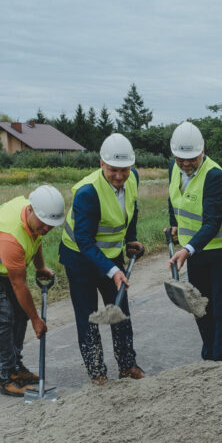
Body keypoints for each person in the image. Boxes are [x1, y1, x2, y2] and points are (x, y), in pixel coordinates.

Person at [0, 185, 66, 396]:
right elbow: (19, 284)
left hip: (0, 266)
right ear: (31, 210)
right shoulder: (10, 236)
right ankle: (7, 377)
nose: (46, 229)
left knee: (19, 313)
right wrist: (36, 319)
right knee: (4, 318)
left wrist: (40, 267)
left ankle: (16, 366)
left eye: (50, 226)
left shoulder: (36, 220)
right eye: (44, 224)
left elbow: (35, 241)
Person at [59, 133, 146, 385]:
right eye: (112, 170)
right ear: (101, 164)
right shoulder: (87, 193)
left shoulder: (133, 179)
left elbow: (132, 209)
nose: (119, 176)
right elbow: (84, 241)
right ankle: (97, 372)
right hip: (79, 259)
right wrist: (112, 270)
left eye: (124, 170)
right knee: (88, 316)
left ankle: (127, 365)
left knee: (119, 310)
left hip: (110, 256)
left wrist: (131, 238)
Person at [165, 121, 222, 362]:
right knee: (200, 307)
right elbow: (174, 199)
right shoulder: (173, 169)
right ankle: (209, 355)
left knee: (221, 309)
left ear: (202, 151)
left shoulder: (215, 176)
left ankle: (220, 362)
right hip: (195, 251)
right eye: (180, 158)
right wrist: (174, 222)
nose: (186, 164)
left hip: (220, 251)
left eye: (192, 159)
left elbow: (212, 222)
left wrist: (186, 249)